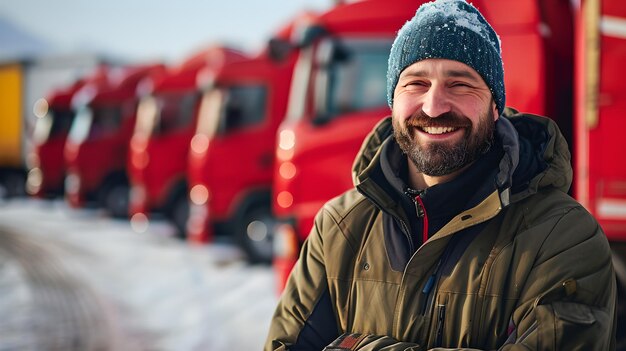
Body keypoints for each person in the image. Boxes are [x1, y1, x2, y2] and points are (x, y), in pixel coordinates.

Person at [265, 0, 617, 350]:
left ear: (495, 107)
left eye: (460, 84)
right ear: (393, 103)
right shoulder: (338, 227)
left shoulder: (563, 237)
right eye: (415, 83)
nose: (434, 107)